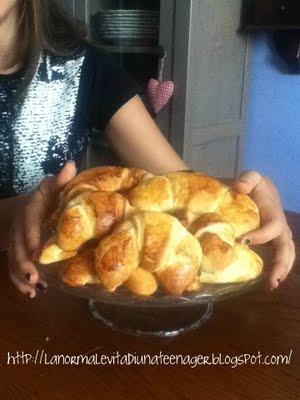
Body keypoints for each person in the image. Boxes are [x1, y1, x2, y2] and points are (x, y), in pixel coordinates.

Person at [1, 1, 294, 298]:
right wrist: (22, 211)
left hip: (50, 308)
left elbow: (174, 188)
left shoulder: (88, 67)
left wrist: (242, 197)